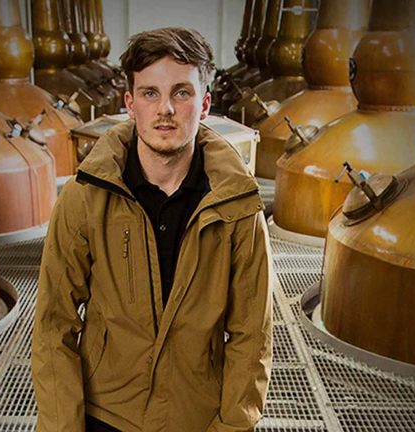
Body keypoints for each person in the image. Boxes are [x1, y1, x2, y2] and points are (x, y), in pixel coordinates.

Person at [32, 27, 273, 432]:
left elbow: (252, 338)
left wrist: (231, 427)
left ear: (204, 104)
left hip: (196, 418)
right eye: (149, 93)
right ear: (130, 103)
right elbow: (53, 325)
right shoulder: (85, 196)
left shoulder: (237, 208)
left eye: (182, 93)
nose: (166, 109)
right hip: (106, 414)